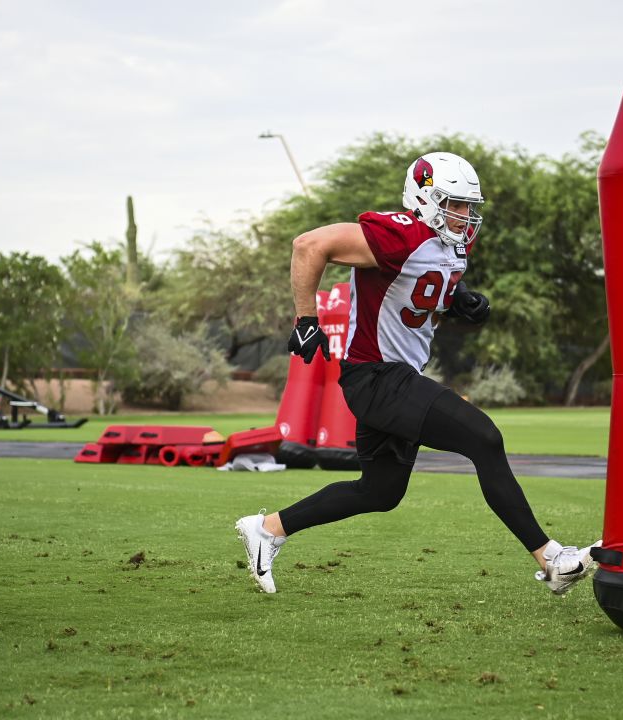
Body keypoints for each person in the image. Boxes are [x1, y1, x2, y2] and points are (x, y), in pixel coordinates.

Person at [234, 152, 600, 595]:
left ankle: (268, 529)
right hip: (376, 377)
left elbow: (425, 282)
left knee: (380, 492)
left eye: (469, 206)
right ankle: (551, 558)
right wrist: (305, 319)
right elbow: (309, 245)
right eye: (454, 204)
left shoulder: (453, 243)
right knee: (484, 438)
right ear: (424, 198)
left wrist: (461, 298)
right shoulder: (398, 234)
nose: (465, 216)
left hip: (391, 376)